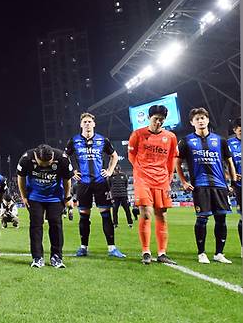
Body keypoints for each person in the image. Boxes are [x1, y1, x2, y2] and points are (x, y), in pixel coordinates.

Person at [175, 108, 236, 264]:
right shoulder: (186, 141)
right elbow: (177, 162)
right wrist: (183, 181)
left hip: (220, 185)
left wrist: (232, 181)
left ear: (208, 120)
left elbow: (229, 161)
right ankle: (201, 253)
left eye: (203, 118)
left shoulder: (220, 140)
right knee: (202, 219)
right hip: (200, 186)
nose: (200, 121)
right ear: (192, 122)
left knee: (221, 219)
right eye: (197, 119)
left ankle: (219, 253)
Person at [65, 113, 125, 258]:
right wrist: (72, 171)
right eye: (84, 122)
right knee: (84, 217)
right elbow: (64, 157)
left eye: (89, 121)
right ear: (81, 125)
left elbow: (114, 156)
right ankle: (83, 248)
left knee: (106, 215)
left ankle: (112, 248)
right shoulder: (74, 141)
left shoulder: (102, 140)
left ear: (94, 124)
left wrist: (110, 171)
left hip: (100, 182)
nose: (87, 124)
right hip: (83, 183)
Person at [128, 105, 177, 265]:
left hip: (162, 180)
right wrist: (140, 169)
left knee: (161, 215)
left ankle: (162, 253)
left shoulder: (170, 137)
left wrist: (168, 178)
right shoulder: (138, 134)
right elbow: (131, 155)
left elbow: (171, 159)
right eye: (156, 119)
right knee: (146, 213)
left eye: (161, 120)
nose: (158, 122)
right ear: (150, 118)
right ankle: (146, 251)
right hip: (143, 178)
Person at [17, 144, 73, 268]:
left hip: (54, 197)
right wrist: (24, 197)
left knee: (56, 225)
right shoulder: (26, 158)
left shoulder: (62, 158)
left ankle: (56, 257)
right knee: (36, 226)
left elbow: (67, 179)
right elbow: (21, 178)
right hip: (35, 197)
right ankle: (37, 257)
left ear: (52, 156)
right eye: (42, 163)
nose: (46, 166)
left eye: (48, 163)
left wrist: (67, 197)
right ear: (36, 157)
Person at [226, 117, 242, 244]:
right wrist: (231, 175)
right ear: (235, 130)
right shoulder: (229, 143)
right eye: (240, 131)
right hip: (239, 186)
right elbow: (220, 162)